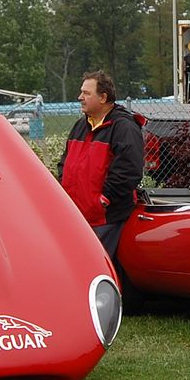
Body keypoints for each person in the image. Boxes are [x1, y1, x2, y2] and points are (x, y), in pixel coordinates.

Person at [57, 70, 145, 257]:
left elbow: (129, 170)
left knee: (96, 269)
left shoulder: (124, 127)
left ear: (103, 97)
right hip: (78, 217)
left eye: (86, 93)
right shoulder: (80, 126)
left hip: (106, 220)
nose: (80, 97)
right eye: (81, 92)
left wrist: (104, 200)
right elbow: (65, 162)